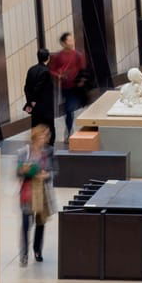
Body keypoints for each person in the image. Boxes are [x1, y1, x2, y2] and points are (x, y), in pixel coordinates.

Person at [18, 126, 53, 263]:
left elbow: (53, 171)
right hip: (27, 192)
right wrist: (25, 170)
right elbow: (18, 172)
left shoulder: (48, 152)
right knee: (26, 223)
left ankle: (37, 250)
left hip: (41, 192)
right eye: (41, 137)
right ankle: (24, 253)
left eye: (45, 137)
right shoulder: (24, 152)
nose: (43, 140)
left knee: (40, 222)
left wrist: (47, 175)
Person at [49, 31, 87, 139]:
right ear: (63, 43)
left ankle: (69, 129)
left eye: (72, 39)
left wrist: (82, 81)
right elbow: (52, 70)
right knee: (68, 109)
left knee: (70, 108)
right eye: (69, 40)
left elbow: (82, 69)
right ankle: (69, 128)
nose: (72, 42)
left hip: (75, 86)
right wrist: (59, 76)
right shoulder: (58, 56)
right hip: (65, 86)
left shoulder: (78, 55)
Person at [23, 48, 57, 139]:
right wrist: (34, 100)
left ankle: (36, 144)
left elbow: (26, 87)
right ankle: (49, 146)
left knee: (35, 126)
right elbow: (38, 88)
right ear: (48, 58)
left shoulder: (31, 70)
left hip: (35, 106)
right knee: (48, 127)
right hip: (45, 106)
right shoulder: (46, 72)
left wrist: (30, 101)